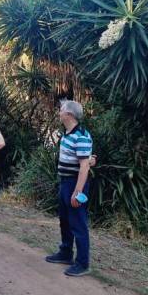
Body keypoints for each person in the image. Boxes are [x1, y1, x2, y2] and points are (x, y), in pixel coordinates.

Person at [45, 100, 93, 277]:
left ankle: (82, 263)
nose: (59, 112)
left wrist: (78, 191)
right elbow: (86, 159)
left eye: (62, 110)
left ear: (70, 115)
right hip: (65, 182)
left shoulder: (81, 135)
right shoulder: (67, 134)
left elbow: (84, 167)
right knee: (64, 220)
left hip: (74, 183)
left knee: (78, 223)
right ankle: (66, 253)